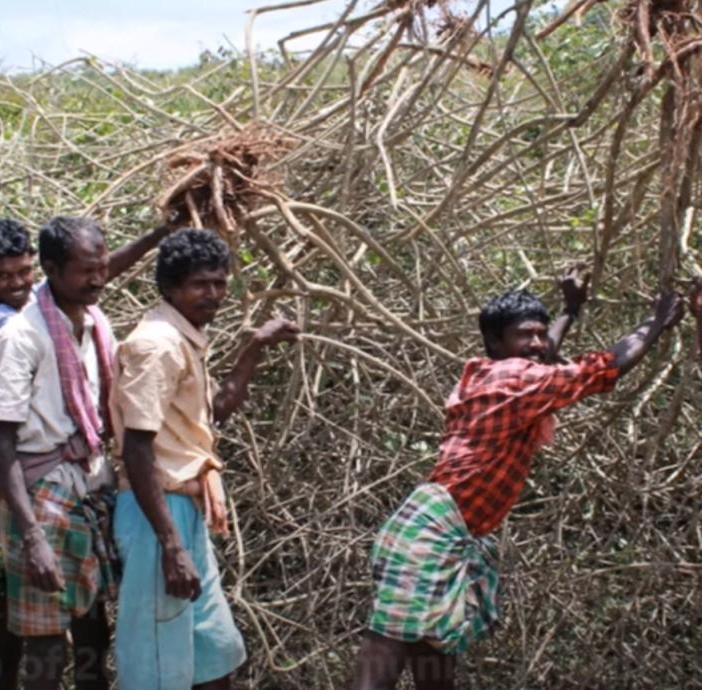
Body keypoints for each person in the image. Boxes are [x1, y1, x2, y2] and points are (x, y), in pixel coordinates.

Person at [351, 270, 685, 690]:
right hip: (428, 536)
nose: (537, 344)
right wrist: (655, 322)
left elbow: (543, 361)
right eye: (524, 335)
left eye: (541, 334)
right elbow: (605, 367)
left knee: (434, 668)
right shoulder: (513, 380)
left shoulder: (493, 373)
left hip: (445, 536)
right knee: (381, 666)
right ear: (495, 344)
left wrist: (571, 310)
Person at [0, 216, 172, 690]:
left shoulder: (87, 321)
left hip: (81, 480)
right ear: (52, 269)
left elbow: (100, 273)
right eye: (2, 276)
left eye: (20, 272)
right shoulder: (8, 329)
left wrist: (155, 235)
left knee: (84, 621)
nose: (97, 279)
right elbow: (2, 441)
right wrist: (32, 535)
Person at [110, 228, 299, 690]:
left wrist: (253, 346)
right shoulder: (157, 344)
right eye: (199, 284)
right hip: (158, 514)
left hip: (183, 511)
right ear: (170, 287)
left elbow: (214, 410)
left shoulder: (185, 338)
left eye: (219, 283)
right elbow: (137, 448)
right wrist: (171, 545)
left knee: (214, 655)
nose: (212, 294)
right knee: (156, 667)